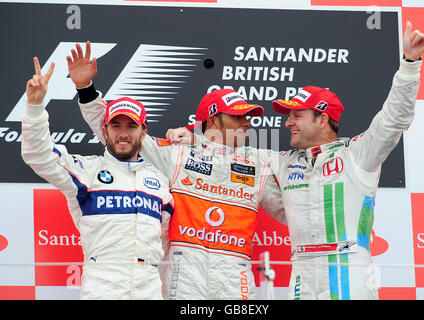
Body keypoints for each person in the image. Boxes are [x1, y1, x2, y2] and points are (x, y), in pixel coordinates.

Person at [69, 42, 286, 300]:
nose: (247, 122)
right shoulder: (177, 153)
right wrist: (86, 89)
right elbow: (118, 131)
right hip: (186, 273)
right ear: (213, 121)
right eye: (238, 117)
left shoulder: (259, 162)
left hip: (235, 273)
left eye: (247, 117)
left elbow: (293, 208)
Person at [269, 21, 424, 300]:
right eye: (288, 116)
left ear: (322, 119)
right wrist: (191, 137)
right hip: (301, 271)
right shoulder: (281, 162)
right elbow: (232, 158)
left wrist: (409, 64)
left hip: (348, 267)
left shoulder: (357, 153)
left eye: (296, 116)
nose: (288, 123)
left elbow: (393, 119)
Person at [21, 57, 174, 300]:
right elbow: (38, 154)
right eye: (116, 126)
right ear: (105, 130)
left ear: (143, 132)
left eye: (131, 126)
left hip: (149, 287)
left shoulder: (160, 182)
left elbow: (165, 240)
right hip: (103, 284)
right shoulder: (85, 171)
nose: (123, 133)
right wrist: (35, 106)